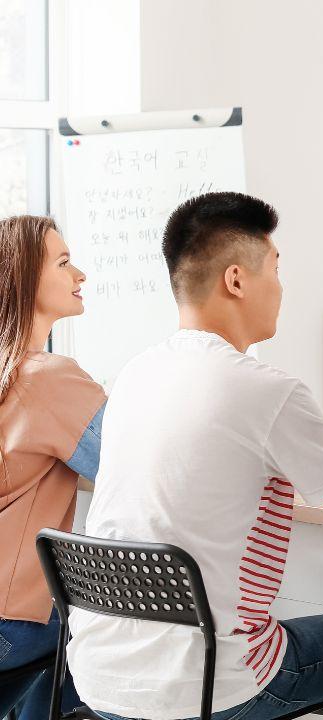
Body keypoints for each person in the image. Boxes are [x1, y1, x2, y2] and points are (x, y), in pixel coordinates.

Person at [66, 192, 323, 720]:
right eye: (276, 268)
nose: (282, 287)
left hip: (97, 677)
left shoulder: (134, 374)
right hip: (208, 688)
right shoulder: (267, 391)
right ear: (237, 280)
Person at [0, 216, 105, 720]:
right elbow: (131, 467)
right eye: (64, 263)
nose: (79, 274)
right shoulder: (46, 377)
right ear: (24, 279)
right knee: (117, 646)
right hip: (12, 623)